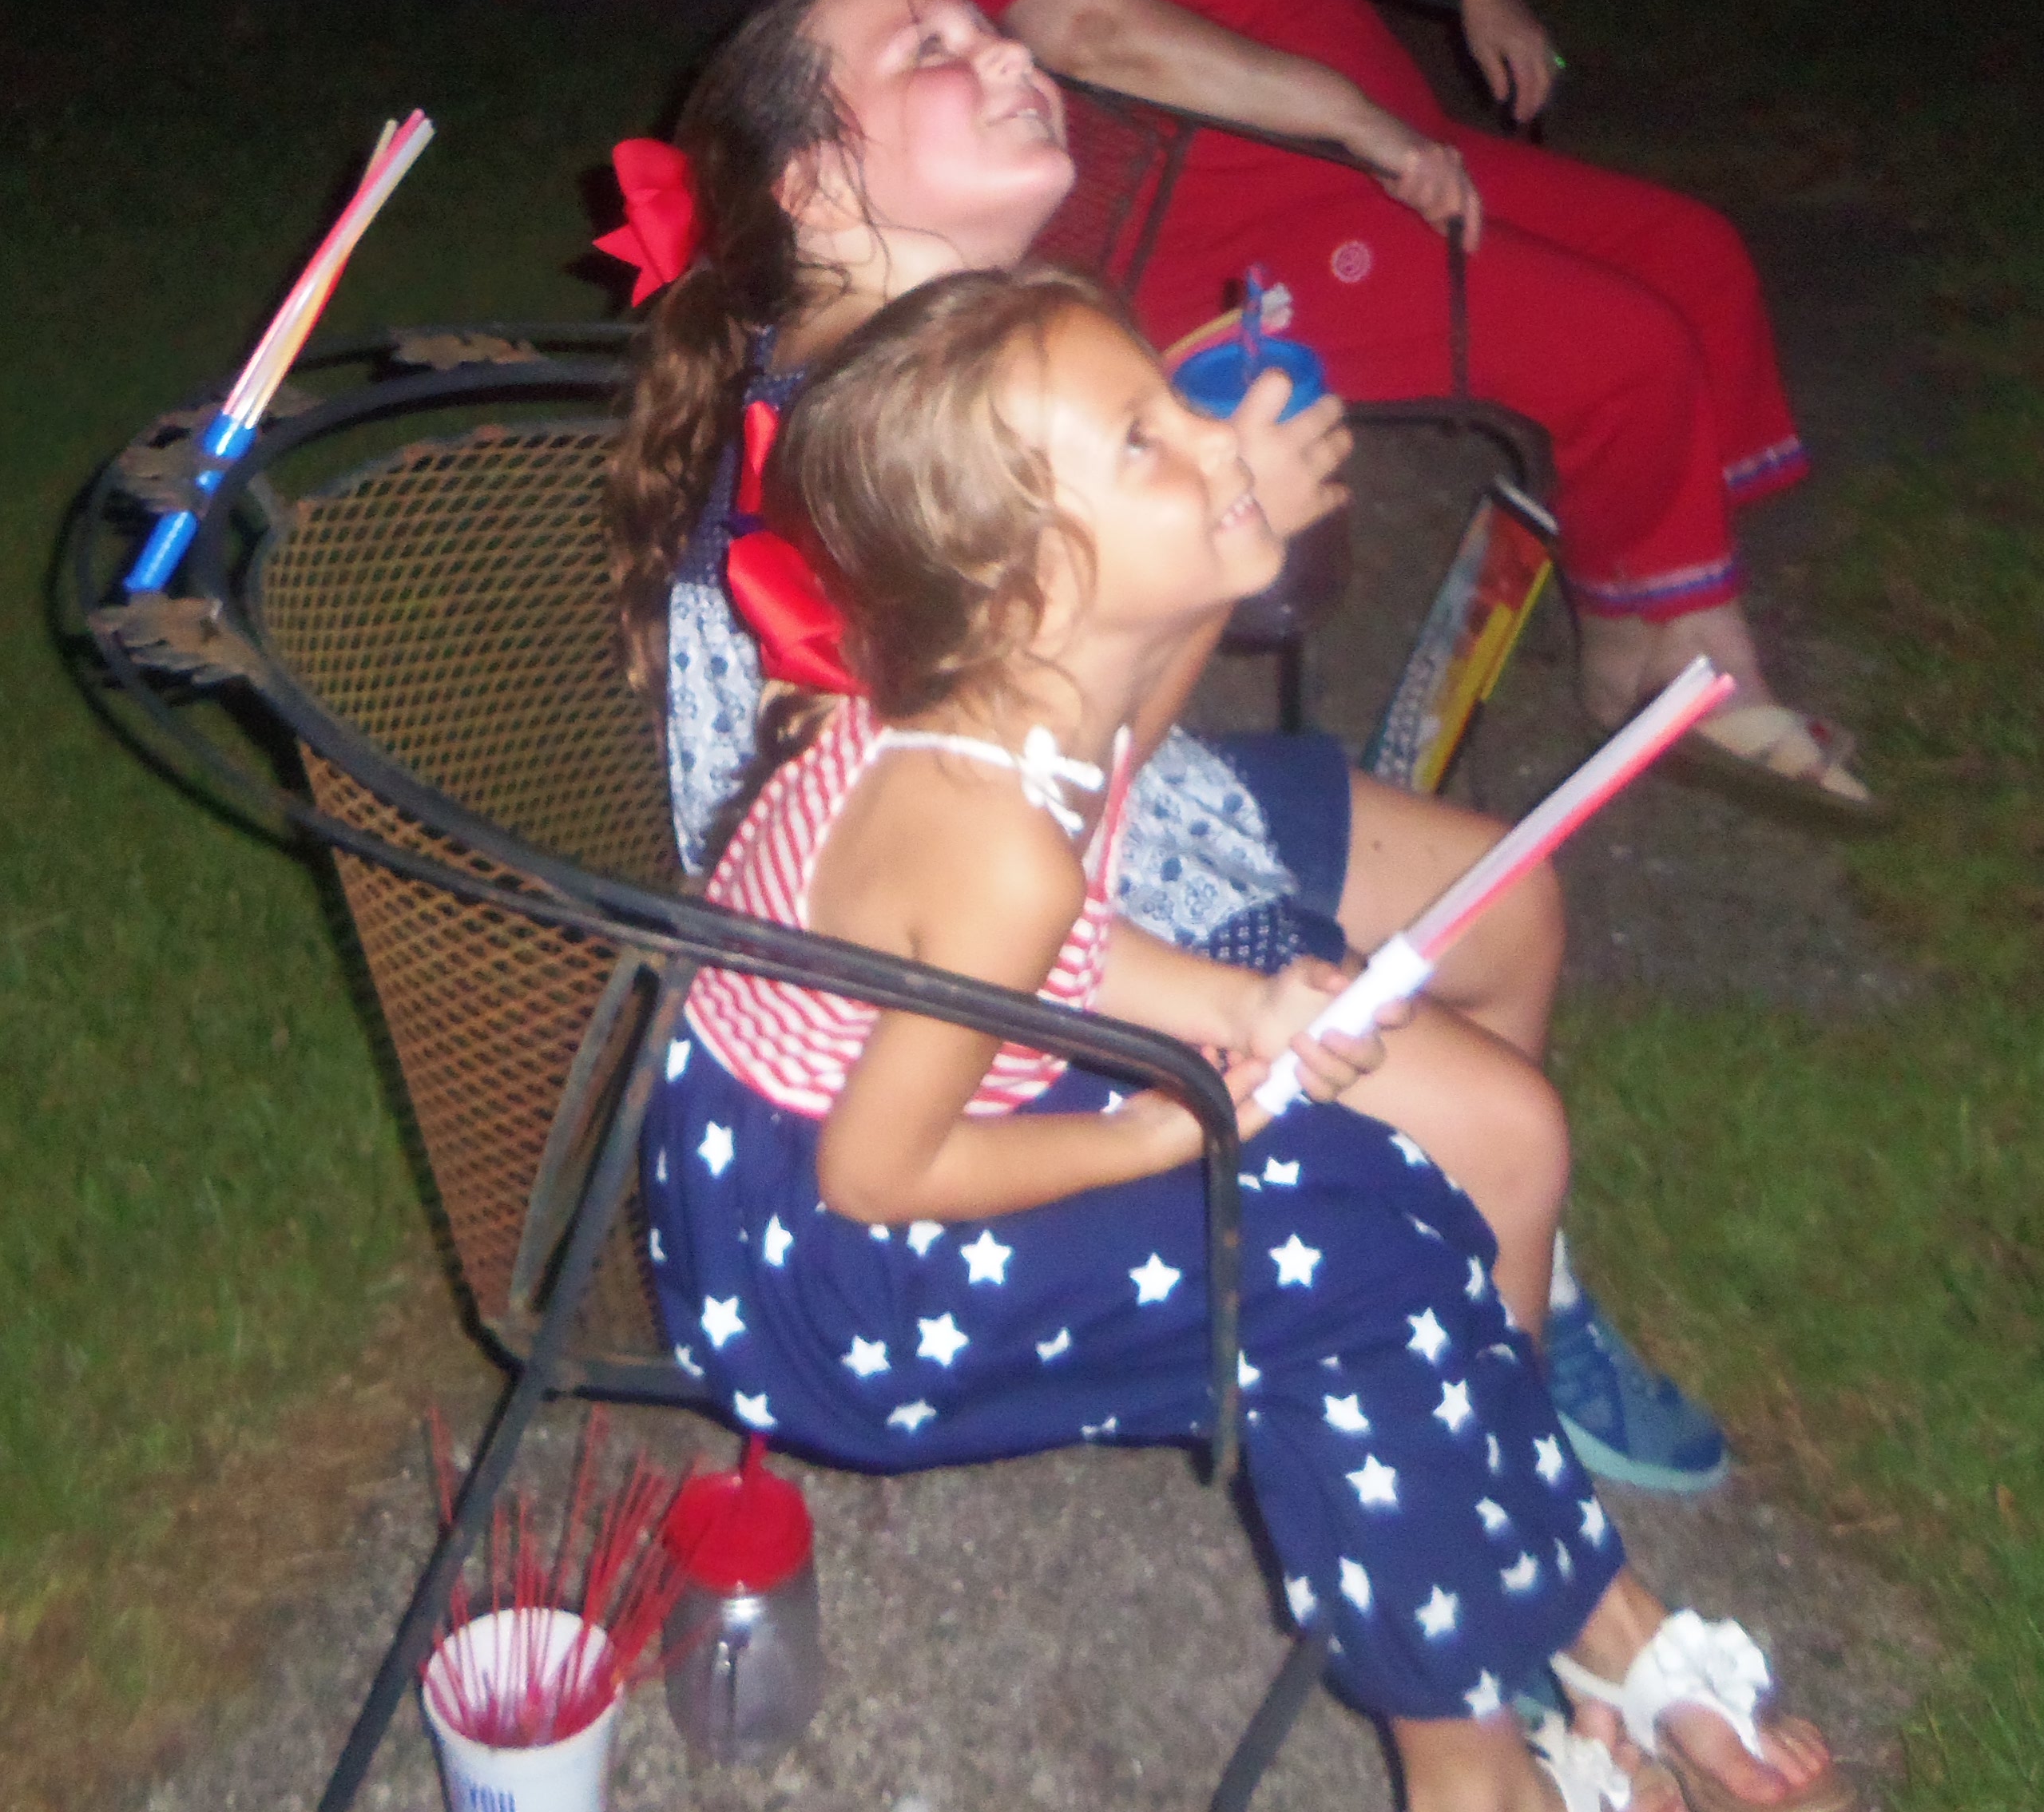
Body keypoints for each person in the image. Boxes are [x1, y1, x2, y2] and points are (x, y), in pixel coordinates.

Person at [641, 265, 1850, 1812]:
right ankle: (1483, 1764)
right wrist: (1161, 1133)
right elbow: (879, 1172)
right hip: (829, 1275)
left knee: (1397, 1191)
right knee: (1355, 1282)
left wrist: (1232, 1006)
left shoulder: (1020, 707)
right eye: (1146, 439)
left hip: (838, 1149)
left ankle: (1563, 1625)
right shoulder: (987, 830)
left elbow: (1035, 950)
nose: (1215, 438)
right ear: (1027, 584)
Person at [605, 0, 1733, 1495]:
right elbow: (1042, 811)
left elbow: (1088, 736)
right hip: (995, 934)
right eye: (931, 47)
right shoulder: (862, 476)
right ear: (812, 185)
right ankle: (1488, 1455)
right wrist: (1221, 554)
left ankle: (1511, 1282)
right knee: (1506, 1124)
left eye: (987, 23)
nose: (1005, 50)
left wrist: (1189, 476)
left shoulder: (970, 364)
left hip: (1103, 799)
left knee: (1510, 898)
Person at [875, 0, 1877, 827]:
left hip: (1376, 160)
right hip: (1231, 233)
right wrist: (1351, 115)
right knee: (1622, 344)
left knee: (1692, 255)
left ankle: (1642, 623)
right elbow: (1083, 25)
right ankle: (1698, 660)